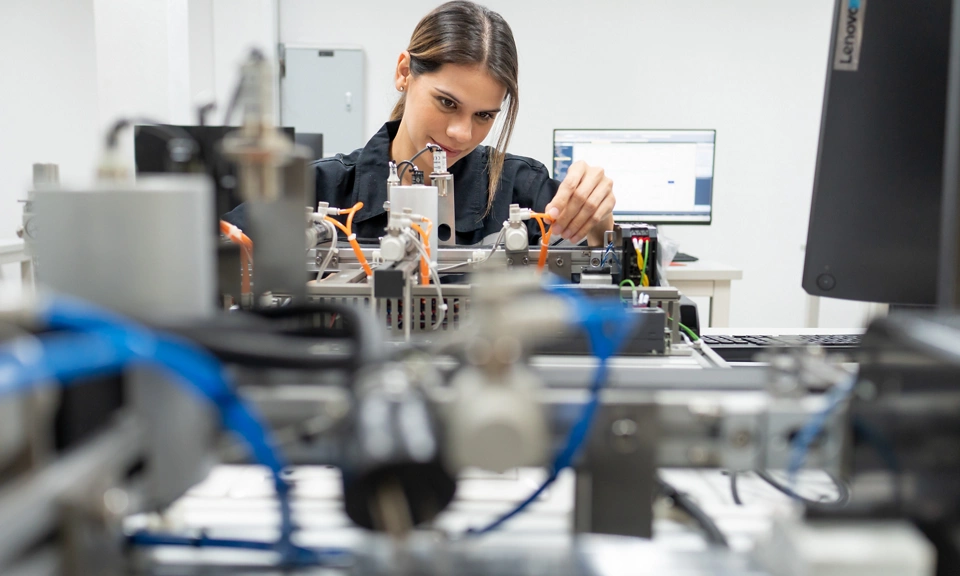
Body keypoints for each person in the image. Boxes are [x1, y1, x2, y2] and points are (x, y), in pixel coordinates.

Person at [229, 0, 615, 246]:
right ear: (404, 73)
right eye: (447, 103)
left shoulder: (521, 190)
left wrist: (599, 220)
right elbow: (218, 254)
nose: (462, 133)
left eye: (483, 115)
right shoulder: (320, 188)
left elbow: (605, 256)